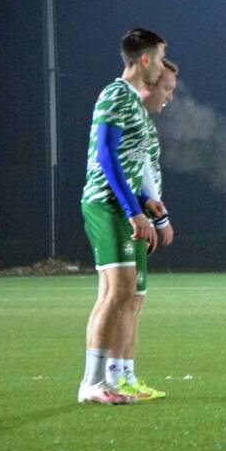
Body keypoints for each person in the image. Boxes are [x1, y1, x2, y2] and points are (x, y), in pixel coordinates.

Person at [78, 28, 165, 405]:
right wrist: (133, 211)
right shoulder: (115, 94)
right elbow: (105, 154)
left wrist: (146, 202)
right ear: (144, 59)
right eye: (159, 58)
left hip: (120, 205)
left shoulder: (131, 101)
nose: (160, 67)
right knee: (117, 293)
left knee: (120, 294)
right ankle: (92, 383)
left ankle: (107, 380)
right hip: (106, 204)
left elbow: (128, 161)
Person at [107, 58, 178, 401]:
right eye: (167, 88)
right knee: (120, 298)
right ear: (149, 84)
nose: (170, 96)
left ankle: (127, 375)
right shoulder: (124, 108)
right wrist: (145, 211)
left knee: (134, 300)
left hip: (140, 214)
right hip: (125, 214)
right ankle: (111, 376)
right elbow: (119, 166)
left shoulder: (144, 122)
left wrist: (156, 213)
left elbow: (145, 170)